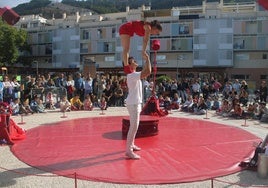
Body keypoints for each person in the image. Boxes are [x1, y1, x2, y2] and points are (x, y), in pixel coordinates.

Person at [125, 53, 151, 159]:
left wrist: (147, 61)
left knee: (135, 126)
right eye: (133, 61)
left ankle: (131, 145)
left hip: (135, 103)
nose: (135, 61)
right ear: (130, 65)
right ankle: (128, 151)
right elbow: (148, 71)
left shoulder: (134, 74)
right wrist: (148, 58)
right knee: (133, 127)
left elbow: (145, 71)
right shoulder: (131, 75)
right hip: (133, 104)